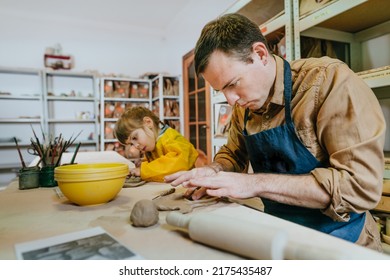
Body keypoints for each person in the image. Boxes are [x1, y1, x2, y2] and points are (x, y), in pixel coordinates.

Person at [164, 13, 386, 251]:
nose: (230, 100)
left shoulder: (329, 82)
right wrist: (213, 170)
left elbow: (359, 187)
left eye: (232, 84)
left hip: (342, 241)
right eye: (221, 91)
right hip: (278, 235)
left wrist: (254, 183)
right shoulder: (244, 105)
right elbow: (233, 153)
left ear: (260, 54)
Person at [115, 106, 198, 182]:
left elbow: (178, 163)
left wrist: (143, 170)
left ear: (148, 123)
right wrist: (141, 166)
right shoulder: (151, 144)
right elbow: (154, 164)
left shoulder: (170, 138)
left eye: (135, 138)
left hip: (186, 187)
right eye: (131, 144)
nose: (136, 146)